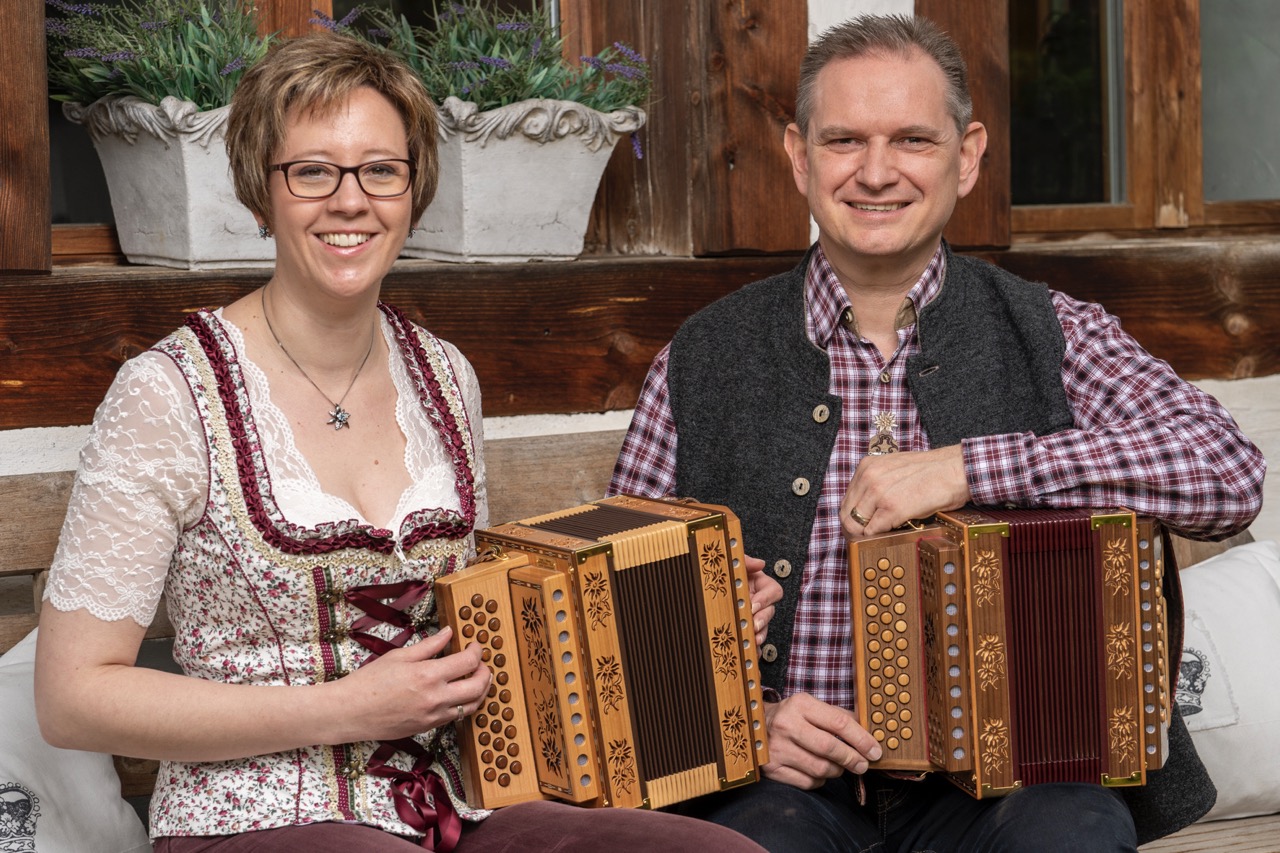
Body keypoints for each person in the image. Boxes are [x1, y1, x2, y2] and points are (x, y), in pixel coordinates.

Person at [33, 32, 773, 853]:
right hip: (253, 815)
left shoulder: (445, 375)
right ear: (258, 193)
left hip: (453, 803)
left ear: (413, 193)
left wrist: (701, 617)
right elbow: (73, 698)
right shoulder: (165, 392)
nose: (350, 200)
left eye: (381, 170)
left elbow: (478, 635)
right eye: (312, 171)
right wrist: (344, 708)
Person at [609, 14, 1266, 853]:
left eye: (913, 139)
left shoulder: (1053, 331)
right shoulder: (700, 357)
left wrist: (969, 467)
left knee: (1071, 830)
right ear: (800, 156)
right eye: (844, 140)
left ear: (968, 155)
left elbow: (1226, 472)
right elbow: (623, 637)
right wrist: (743, 722)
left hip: (1013, 782)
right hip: (776, 793)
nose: (876, 173)